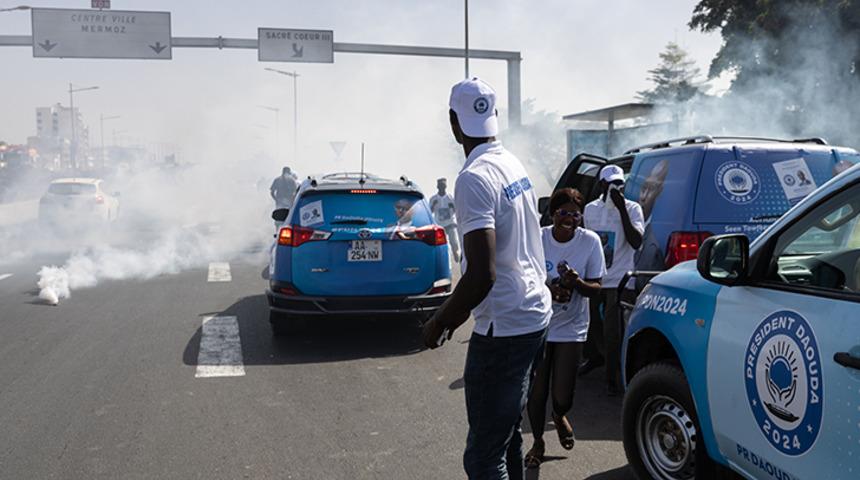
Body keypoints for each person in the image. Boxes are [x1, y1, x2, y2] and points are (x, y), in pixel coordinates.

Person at [422, 77, 551, 480]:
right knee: (506, 433)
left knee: (483, 455)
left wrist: (440, 321)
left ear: (453, 122)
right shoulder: (511, 162)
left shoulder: (473, 177)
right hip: (534, 315)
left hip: (505, 327)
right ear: (494, 117)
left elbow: (482, 274)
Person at [524, 188, 605, 468]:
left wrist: (576, 283)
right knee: (536, 390)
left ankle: (559, 416)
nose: (568, 219)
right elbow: (525, 280)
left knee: (563, 395)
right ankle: (537, 442)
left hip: (572, 326)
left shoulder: (590, 242)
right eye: (562, 213)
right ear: (552, 214)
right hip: (538, 323)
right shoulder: (538, 238)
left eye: (574, 214)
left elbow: (596, 289)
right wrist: (550, 289)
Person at [582, 165, 644, 396]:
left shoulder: (633, 208)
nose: (616, 189)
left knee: (614, 331)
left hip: (620, 280)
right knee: (590, 325)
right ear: (601, 186)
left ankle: (613, 379)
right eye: (611, 185)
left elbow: (636, 242)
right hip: (597, 276)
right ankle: (597, 358)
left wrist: (622, 210)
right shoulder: (591, 209)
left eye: (620, 184)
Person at [429, 178, 461, 262]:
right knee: (443, 245)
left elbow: (457, 211)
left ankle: (457, 258)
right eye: (440, 185)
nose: (442, 187)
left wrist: (452, 207)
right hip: (440, 225)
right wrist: (433, 205)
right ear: (437, 187)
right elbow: (430, 212)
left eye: (444, 185)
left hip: (450, 224)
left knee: (454, 243)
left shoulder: (450, 198)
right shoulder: (433, 199)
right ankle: (446, 261)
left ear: (446, 186)